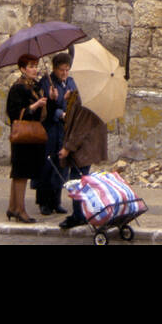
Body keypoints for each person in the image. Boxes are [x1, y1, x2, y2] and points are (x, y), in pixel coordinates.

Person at [56, 90, 110, 230]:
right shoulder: (94, 95)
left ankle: (79, 215)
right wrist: (70, 100)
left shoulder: (87, 97)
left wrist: (67, 148)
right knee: (81, 179)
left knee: (77, 181)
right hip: (89, 145)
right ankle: (81, 213)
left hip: (84, 147)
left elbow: (80, 127)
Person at [5, 54, 47, 224]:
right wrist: (34, 106)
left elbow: (42, 113)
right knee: (20, 173)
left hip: (32, 135)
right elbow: (13, 112)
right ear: (22, 69)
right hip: (22, 135)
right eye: (30, 66)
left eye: (36, 66)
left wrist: (48, 97)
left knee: (20, 174)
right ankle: (20, 210)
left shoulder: (36, 87)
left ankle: (12, 207)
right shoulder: (18, 87)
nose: (34, 69)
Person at [38, 52, 79, 216]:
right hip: (50, 129)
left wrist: (69, 100)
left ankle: (56, 200)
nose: (64, 73)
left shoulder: (70, 82)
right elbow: (48, 108)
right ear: (55, 69)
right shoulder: (46, 83)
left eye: (67, 70)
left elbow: (74, 101)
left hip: (64, 130)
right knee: (47, 164)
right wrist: (57, 100)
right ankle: (43, 201)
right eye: (61, 70)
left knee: (61, 166)